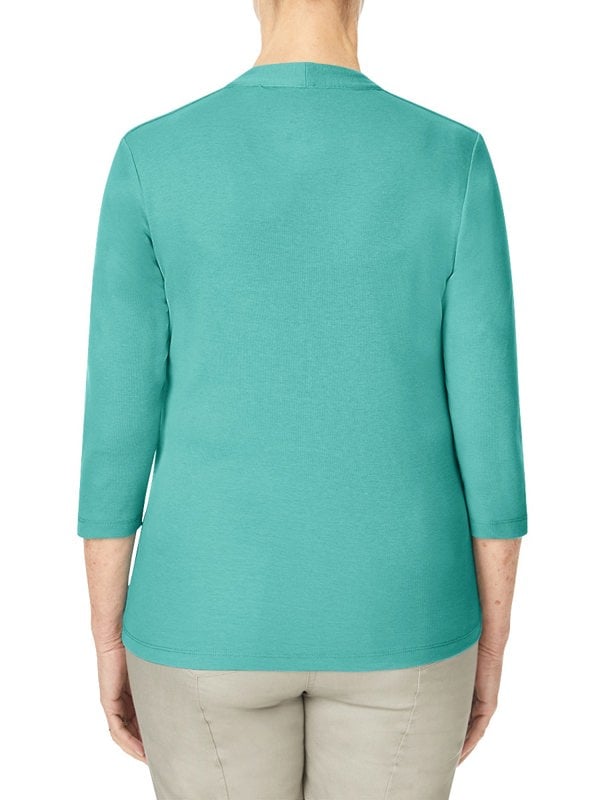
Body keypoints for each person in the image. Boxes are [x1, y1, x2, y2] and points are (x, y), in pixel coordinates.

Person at [77, 0, 528, 797]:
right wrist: (491, 646)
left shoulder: (152, 156)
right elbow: (491, 442)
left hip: (202, 612)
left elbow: (116, 431)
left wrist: (108, 638)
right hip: (407, 613)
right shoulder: (451, 157)